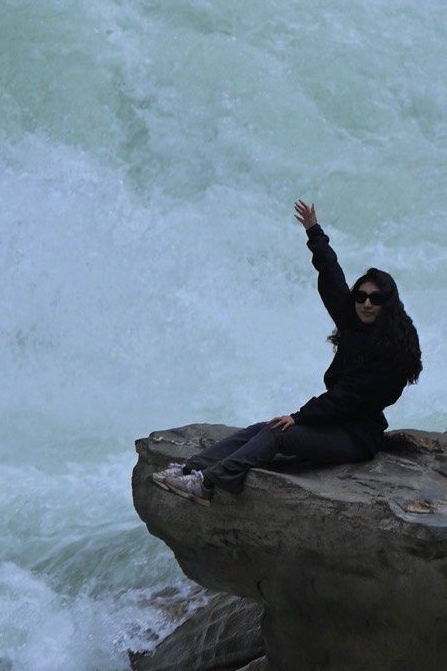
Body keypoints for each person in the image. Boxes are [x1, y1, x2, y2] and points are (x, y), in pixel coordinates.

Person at [160, 200, 422, 500]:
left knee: (276, 433)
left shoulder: (393, 349)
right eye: (361, 296)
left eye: (375, 300)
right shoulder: (355, 325)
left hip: (357, 437)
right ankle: (187, 470)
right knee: (263, 428)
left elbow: (349, 397)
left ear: (387, 304)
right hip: (334, 425)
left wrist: (300, 417)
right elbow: (332, 276)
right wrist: (314, 232)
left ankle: (208, 484)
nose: (366, 303)